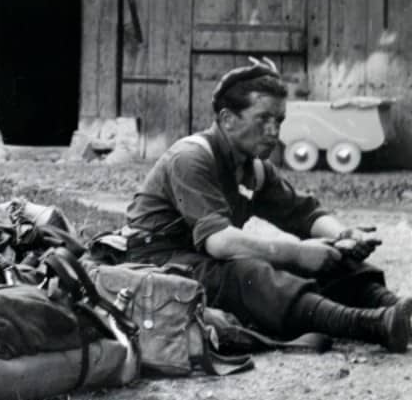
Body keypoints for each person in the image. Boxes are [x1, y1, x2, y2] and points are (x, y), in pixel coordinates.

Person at [124, 58, 412, 352]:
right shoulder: (191, 158)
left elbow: (303, 213)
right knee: (249, 272)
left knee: (331, 254)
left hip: (199, 258)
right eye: (263, 119)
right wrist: (298, 254)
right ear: (227, 119)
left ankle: (394, 308)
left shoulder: (254, 169)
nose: (274, 131)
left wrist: (343, 236)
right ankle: (372, 325)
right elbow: (220, 243)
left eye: (279, 121)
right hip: (155, 261)